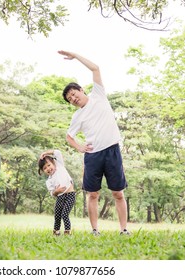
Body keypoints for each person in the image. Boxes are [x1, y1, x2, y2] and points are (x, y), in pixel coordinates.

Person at [58, 50, 130, 236]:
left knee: (118, 193)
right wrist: (80, 147)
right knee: (93, 194)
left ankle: (124, 229)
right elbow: (69, 137)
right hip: (93, 156)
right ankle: (95, 230)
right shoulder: (77, 116)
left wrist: (75, 55)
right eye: (70, 99)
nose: (73, 99)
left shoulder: (98, 94)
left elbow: (95, 68)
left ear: (81, 90)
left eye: (74, 94)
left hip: (112, 151)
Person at [38, 149, 76, 236]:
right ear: (43, 171)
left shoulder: (60, 166)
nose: (48, 168)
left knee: (64, 214)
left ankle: (67, 231)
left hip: (70, 195)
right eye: (45, 168)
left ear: (53, 163)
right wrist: (56, 191)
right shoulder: (49, 181)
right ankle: (56, 232)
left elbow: (58, 152)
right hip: (60, 198)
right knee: (57, 215)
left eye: (48, 165)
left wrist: (45, 153)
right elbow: (52, 193)